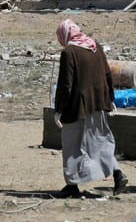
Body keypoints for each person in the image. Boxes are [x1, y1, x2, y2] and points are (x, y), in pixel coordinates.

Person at [52, 18, 128, 198]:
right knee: (100, 141)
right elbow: (107, 73)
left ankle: (72, 185)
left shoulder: (69, 52)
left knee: (72, 145)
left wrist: (59, 110)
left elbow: (66, 84)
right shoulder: (95, 46)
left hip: (77, 107)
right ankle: (117, 173)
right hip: (98, 103)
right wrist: (110, 98)